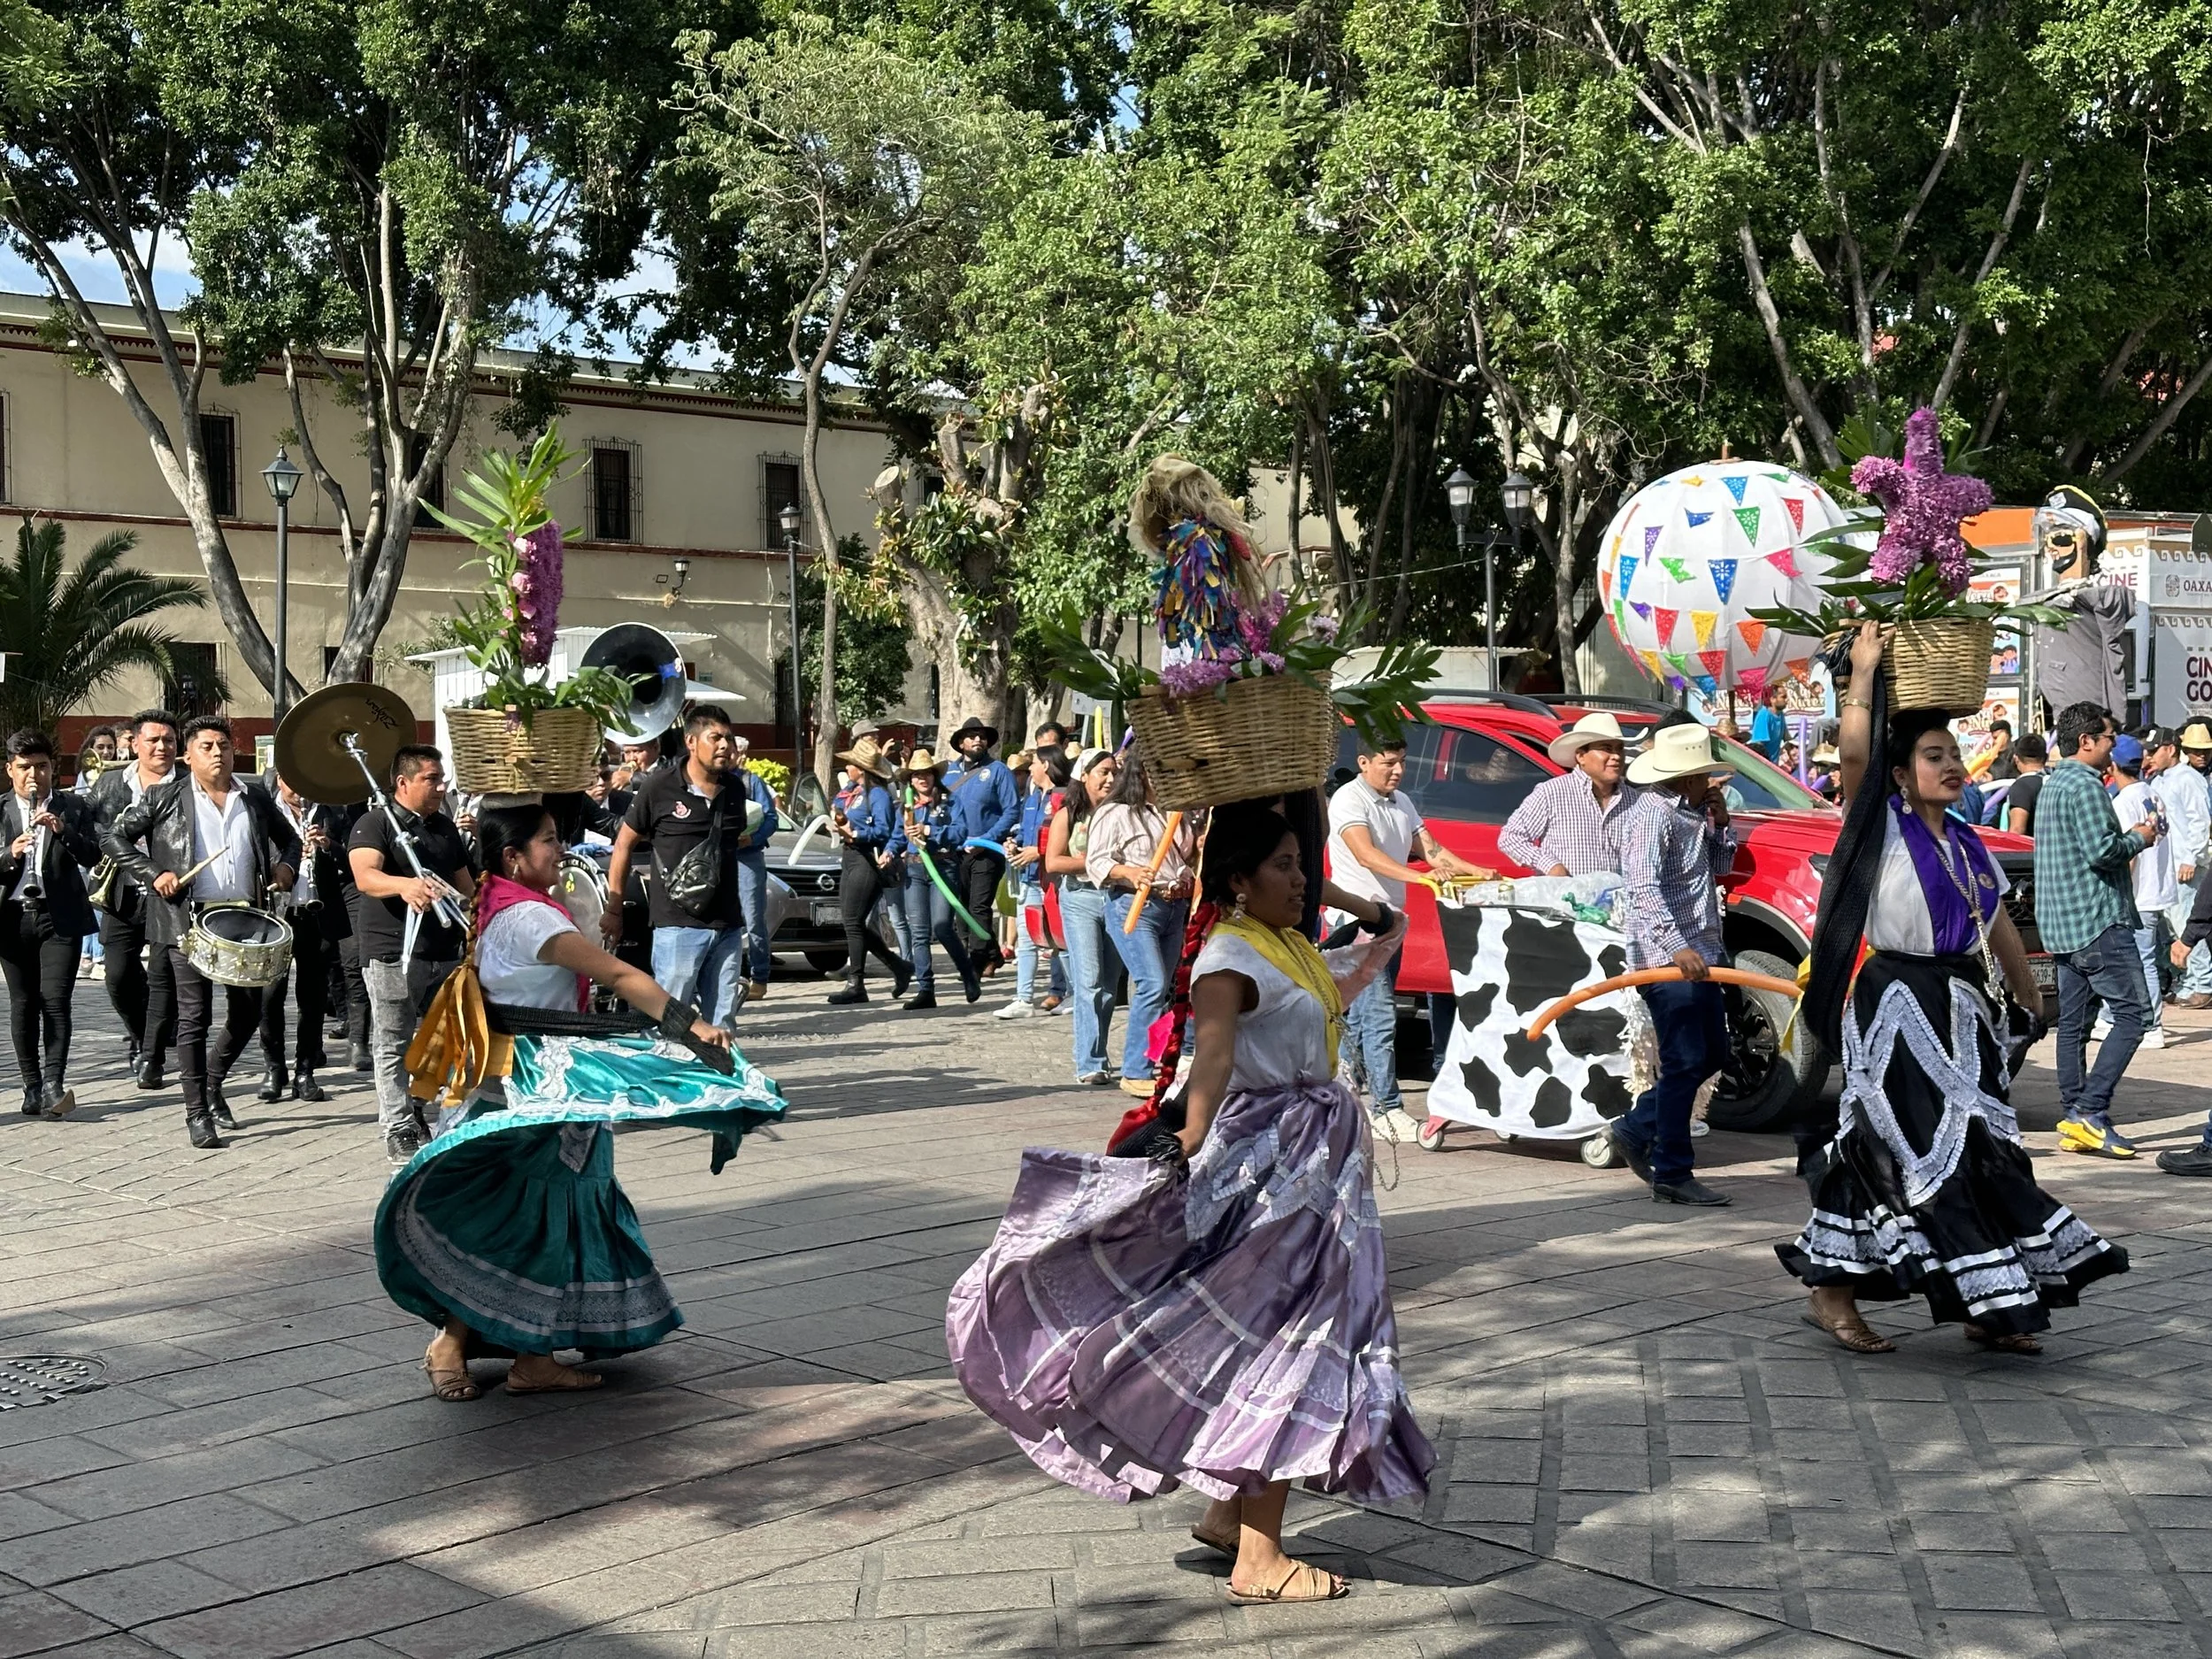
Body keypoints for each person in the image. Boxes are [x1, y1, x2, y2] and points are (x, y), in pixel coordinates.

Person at [948, 798, 1432, 1607]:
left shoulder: (1290, 947)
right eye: (1282, 865)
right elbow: (1209, 1063)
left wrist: (1333, 897)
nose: (1301, 878)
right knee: (1292, 1342)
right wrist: (1187, 1135)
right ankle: (1261, 1558)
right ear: (1238, 879)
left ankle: (1225, 1517)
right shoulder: (1229, 961)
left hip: (1316, 1176)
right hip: (1272, 1180)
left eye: (1300, 863)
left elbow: (1386, 934)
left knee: (1281, 1337)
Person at [1782, 622, 2128, 1353]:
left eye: (1954, 754)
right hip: (1893, 1006)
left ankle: (1988, 1300)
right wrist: (1865, 677)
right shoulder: (1878, 823)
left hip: (1960, 1007)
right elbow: (1853, 754)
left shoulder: (1967, 841)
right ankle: (1832, 1292)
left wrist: (2028, 997)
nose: (1953, 766)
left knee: (1979, 1146)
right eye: (1933, 757)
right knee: (1884, 1142)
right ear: (1901, 774)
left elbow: (1995, 920)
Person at [377, 801, 786, 1402]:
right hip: (537, 1089)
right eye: (547, 840)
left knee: (533, 1216)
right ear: (513, 856)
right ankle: (457, 1344)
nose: (560, 848)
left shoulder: (496, 902)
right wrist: (691, 1026)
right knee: (527, 1217)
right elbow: (619, 975)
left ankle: (529, 1353)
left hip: (523, 1079)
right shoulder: (529, 921)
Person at [103, 717, 299, 1150]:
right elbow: (114, 838)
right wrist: (154, 873)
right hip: (185, 921)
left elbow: (292, 842)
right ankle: (196, 1113)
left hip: (245, 917)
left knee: (249, 1012)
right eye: (207, 746)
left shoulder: (255, 797)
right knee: (194, 1017)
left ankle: (211, 1083)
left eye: (224, 745)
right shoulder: (164, 796)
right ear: (187, 756)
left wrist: (286, 868)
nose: (217, 753)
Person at [1325, 737, 1484, 1139]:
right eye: (1389, 763)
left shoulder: (1402, 802)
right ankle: (1385, 1108)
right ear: (1363, 762)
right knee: (1378, 1016)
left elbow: (1432, 851)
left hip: (1390, 922)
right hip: (1357, 921)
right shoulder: (1348, 800)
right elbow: (1365, 854)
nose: (1397, 771)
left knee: (1359, 1018)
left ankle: (1346, 1091)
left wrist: (1477, 872)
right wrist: (1421, 879)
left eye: (1402, 763)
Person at [1607, 721, 1738, 1206]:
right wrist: (1675, 945)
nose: (1710, 783)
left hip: (1702, 955)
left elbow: (1720, 869)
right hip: (1670, 961)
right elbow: (1642, 888)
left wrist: (1721, 826)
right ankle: (1673, 1170)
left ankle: (1636, 1127)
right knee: (1686, 1060)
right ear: (1685, 778)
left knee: (1713, 1056)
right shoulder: (1651, 817)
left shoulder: (1689, 814)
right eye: (1704, 776)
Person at [2034, 701, 2159, 1160]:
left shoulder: (2053, 783)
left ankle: (2074, 1113)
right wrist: (2141, 838)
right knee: (2134, 1017)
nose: (2113, 746)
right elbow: (2103, 851)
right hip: (2097, 921)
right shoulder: (2085, 786)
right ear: (2086, 741)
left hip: (2065, 925)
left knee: (2074, 1026)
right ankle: (2090, 1110)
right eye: (2108, 738)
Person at [349, 746, 476, 1166]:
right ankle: (398, 1125)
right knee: (392, 1039)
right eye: (431, 779)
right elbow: (366, 876)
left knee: (441, 1040)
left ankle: (420, 1108)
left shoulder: (443, 827)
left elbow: (466, 886)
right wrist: (404, 886)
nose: (441, 787)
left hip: (443, 949)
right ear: (402, 783)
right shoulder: (374, 822)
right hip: (392, 950)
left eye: (442, 779)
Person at [603, 706, 752, 1026]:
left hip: (726, 925)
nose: (725, 745)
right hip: (676, 926)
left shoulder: (736, 790)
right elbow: (624, 845)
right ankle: (664, 1076)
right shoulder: (659, 787)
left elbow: (735, 842)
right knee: (670, 1020)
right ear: (691, 742)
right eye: (716, 738)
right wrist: (614, 910)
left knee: (722, 1024)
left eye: (728, 737)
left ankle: (716, 1077)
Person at [1086, 748, 1199, 1097]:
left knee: (1164, 986)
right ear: (1141, 774)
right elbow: (1098, 862)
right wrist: (1130, 872)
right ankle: (1135, 1069)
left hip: (1173, 905)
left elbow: (1184, 857)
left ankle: (1156, 1061)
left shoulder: (1176, 813)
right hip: (1134, 906)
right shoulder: (1116, 813)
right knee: (1150, 982)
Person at [0, 731, 99, 1118]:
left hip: (58, 917)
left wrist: (63, 832)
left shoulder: (73, 806)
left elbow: (93, 853)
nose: (33, 775)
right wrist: (9, 854)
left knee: (55, 1000)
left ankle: (55, 1083)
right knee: (23, 1003)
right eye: (24, 767)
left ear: (52, 768)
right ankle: (31, 1084)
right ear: (10, 770)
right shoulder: (1, 808)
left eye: (41, 766)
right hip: (10, 919)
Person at [87, 710, 181, 1087]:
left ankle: (152, 1057)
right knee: (118, 975)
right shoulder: (111, 783)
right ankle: (143, 1034)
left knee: (164, 977)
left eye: (169, 741)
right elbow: (88, 824)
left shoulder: (189, 784)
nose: (162, 747)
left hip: (173, 894)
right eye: (154, 740)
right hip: (122, 891)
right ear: (135, 743)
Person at [257, 776, 347, 1105]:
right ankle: (274, 1067)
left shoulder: (330, 812)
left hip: (315, 914)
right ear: (279, 779)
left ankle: (305, 1071)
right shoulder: (264, 810)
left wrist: (326, 846)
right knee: (270, 995)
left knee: (312, 997)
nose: (298, 788)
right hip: (276, 913)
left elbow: (353, 857)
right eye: (291, 780)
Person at [1048, 747, 1121, 1085]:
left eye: (1113, 772)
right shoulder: (1070, 814)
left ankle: (1100, 1050)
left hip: (1117, 896)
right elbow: (1054, 862)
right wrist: (1096, 863)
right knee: (1089, 980)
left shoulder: (1122, 813)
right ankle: (1089, 1061)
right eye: (1102, 772)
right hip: (1079, 898)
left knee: (1109, 985)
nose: (1109, 779)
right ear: (1084, 776)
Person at [890, 750, 983, 1009]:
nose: (922, 779)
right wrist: (889, 851)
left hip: (943, 867)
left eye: (926, 773)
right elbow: (899, 836)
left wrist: (930, 830)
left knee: (942, 926)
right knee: (918, 931)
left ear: (934, 776)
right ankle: (925, 989)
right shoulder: (906, 807)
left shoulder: (950, 802)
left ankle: (968, 974)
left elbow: (960, 832)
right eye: (917, 775)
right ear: (910, 780)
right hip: (915, 870)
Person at [1496, 712, 1641, 875]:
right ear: (1581, 756)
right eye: (1606, 749)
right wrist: (1550, 865)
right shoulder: (1552, 793)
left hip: (1616, 898)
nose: (1616, 756)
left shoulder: (1634, 801)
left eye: (1619, 749)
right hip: (1566, 898)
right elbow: (1511, 838)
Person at [825, 739, 912, 1004]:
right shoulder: (853, 792)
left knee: (852, 920)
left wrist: (857, 833)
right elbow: (841, 811)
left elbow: (884, 831)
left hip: (868, 859)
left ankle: (857, 982)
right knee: (852, 920)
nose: (847, 767)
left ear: (861, 768)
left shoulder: (878, 795)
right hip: (850, 856)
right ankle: (898, 966)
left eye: (851, 763)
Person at [2109, 735, 2175, 1050]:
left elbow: (2127, 852)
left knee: (2141, 960)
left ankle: (2152, 1026)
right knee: (2139, 959)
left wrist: (2120, 891)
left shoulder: (2123, 801)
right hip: (2157, 887)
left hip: (2140, 892)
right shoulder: (2153, 793)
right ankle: (2115, 1017)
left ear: (2113, 765)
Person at [1000, 747, 1071, 1020]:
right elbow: (1023, 831)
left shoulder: (1063, 798)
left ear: (1046, 765)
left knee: (1060, 940)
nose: (1029, 770)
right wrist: (1014, 845)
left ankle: (1073, 991)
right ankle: (1023, 998)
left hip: (1053, 881)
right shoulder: (1031, 799)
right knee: (1027, 939)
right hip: (1028, 878)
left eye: (1034, 764)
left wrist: (1040, 853)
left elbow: (1070, 840)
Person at [946, 717, 1018, 977]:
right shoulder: (949, 773)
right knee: (961, 906)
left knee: (979, 906)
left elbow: (1011, 811)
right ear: (961, 743)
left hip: (987, 851)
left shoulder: (999, 771)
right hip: (956, 851)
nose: (978, 739)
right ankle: (993, 955)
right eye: (972, 735)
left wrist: (986, 839)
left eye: (982, 736)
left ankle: (975, 962)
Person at [2150, 724, 2212, 1009]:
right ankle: (2188, 981)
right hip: (2168, 865)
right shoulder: (2160, 780)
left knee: (2189, 923)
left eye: (2155, 750)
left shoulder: (2188, 779)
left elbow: (2200, 820)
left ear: (2170, 749)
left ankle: (2202, 983)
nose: (2150, 756)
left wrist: (2191, 857)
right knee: (2174, 928)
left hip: (2185, 864)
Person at [726, 734, 781, 1002]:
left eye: (731, 751)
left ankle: (760, 976)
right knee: (725, 922)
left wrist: (753, 838)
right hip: (719, 859)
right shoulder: (709, 780)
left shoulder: (752, 781)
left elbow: (771, 818)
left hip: (748, 857)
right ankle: (730, 975)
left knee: (754, 919)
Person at [2002, 734, 2048, 834]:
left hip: (2032, 848)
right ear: (2045, 758)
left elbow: (2017, 829)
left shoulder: (2022, 786)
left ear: (2016, 758)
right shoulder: (2054, 781)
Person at [1749, 682, 1790, 762]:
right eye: (1783, 697)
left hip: (1774, 766)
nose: (1787, 700)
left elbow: (1787, 738)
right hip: (1764, 767)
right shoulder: (1764, 715)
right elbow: (1758, 747)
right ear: (1772, 699)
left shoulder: (1780, 714)